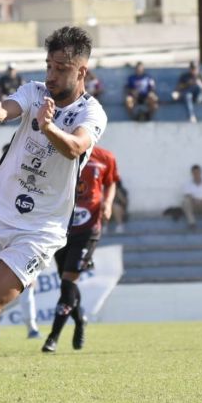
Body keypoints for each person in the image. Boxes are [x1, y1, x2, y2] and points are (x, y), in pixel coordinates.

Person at [0, 26, 106, 397]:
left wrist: (47, 126)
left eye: (61, 68)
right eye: (49, 65)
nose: (51, 74)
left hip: (40, 229)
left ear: (82, 71)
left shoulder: (91, 112)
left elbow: (75, 148)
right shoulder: (34, 92)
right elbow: (1, 113)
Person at [42, 145, 118, 353]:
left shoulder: (105, 156)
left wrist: (108, 203)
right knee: (67, 284)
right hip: (61, 227)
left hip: (88, 229)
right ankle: (80, 319)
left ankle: (52, 338)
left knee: (68, 281)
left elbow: (111, 183)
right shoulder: (59, 151)